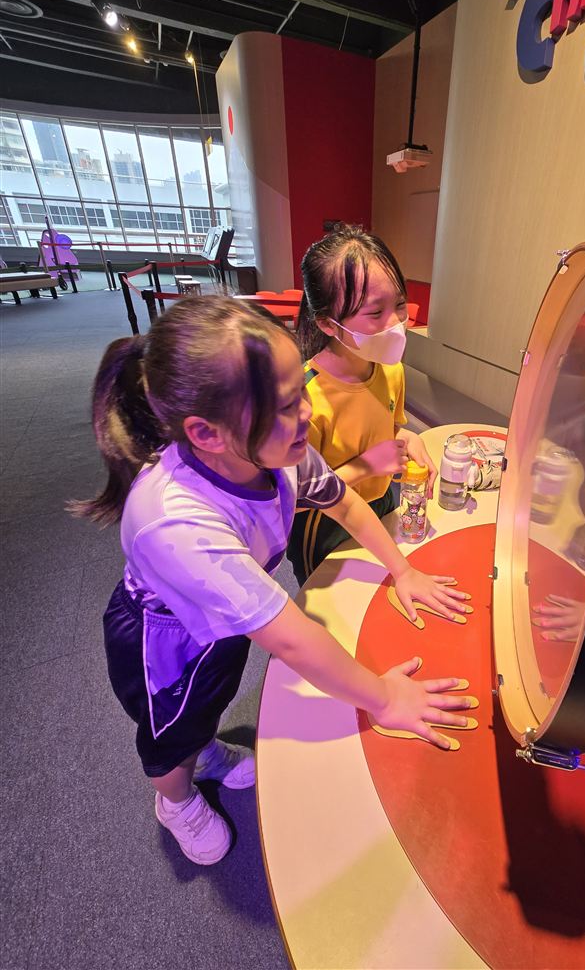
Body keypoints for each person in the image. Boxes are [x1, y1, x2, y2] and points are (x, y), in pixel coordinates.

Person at [71, 296, 472, 866]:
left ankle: (206, 749)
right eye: (284, 404)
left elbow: (344, 503)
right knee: (170, 736)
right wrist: (383, 698)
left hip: (224, 623)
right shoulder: (176, 521)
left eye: (298, 391)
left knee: (211, 704)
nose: (306, 412)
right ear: (206, 433)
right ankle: (176, 800)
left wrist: (402, 568)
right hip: (166, 642)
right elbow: (290, 639)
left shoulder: (280, 450)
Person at [289, 225, 436, 584]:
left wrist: (407, 439)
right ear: (328, 324)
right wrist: (366, 466)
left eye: (399, 305)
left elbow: (387, 426)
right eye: (375, 313)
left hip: (382, 499)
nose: (395, 323)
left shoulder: (391, 369)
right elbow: (291, 499)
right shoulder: (304, 400)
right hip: (323, 524)